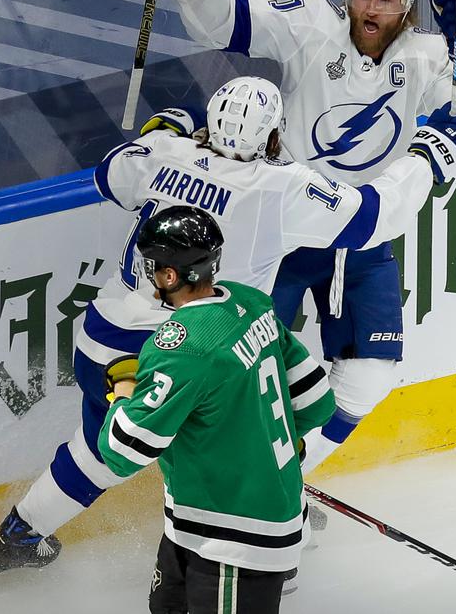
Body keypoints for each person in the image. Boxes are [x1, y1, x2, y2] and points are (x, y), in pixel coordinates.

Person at [0, 75, 456, 580]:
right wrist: (430, 154)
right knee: (240, 439)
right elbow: (373, 217)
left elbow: (109, 174)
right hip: (185, 354)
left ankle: (18, 535)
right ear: (275, 136)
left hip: (104, 338)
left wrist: (162, 131)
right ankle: (268, 537)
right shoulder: (278, 187)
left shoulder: (163, 152)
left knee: (98, 448)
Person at [129, 0, 456, 475]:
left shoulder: (427, 57)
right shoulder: (312, 25)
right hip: (284, 231)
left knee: (372, 374)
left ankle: (288, 478)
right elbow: (233, 21)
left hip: (360, 237)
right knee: (238, 375)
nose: (371, 9)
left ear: (406, 3)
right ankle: (209, 487)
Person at [100, 205, 334, 613]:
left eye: (153, 266)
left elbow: (122, 452)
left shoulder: (183, 347)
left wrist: (123, 388)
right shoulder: (252, 304)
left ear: (170, 275)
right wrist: (277, 449)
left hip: (233, 538)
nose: (149, 274)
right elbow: (317, 401)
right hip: (195, 523)